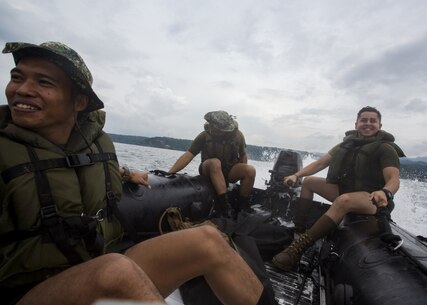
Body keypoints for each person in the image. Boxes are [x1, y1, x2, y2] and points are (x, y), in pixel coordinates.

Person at [0, 41, 276, 305]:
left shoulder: (93, 145)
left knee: (209, 239)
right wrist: (170, 173)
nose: (22, 89)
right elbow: (188, 155)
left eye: (43, 82)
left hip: (88, 262)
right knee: (117, 271)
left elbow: (69, 169)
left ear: (79, 101)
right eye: (16, 77)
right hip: (26, 291)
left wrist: (124, 173)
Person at [272, 106, 405, 271]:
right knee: (309, 182)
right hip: (346, 190)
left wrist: (385, 192)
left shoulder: (386, 149)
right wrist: (297, 175)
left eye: (373, 121)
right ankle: (299, 229)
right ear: (356, 123)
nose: (368, 124)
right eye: (364, 120)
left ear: (380, 125)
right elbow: (320, 163)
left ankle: (298, 248)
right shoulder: (346, 144)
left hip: (372, 198)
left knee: (343, 201)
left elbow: (394, 179)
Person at [168, 110, 256, 217]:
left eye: (219, 130)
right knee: (215, 162)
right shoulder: (204, 136)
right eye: (214, 129)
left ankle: (243, 206)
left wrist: (241, 177)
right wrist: (170, 173)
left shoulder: (238, 135)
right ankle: (224, 205)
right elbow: (189, 155)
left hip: (229, 170)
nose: (216, 132)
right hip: (209, 168)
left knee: (250, 170)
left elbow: (243, 155)